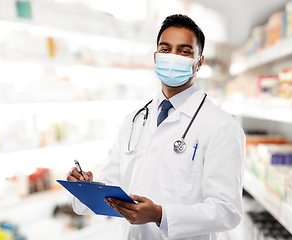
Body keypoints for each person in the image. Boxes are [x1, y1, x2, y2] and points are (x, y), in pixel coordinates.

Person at [67, 14, 245, 240]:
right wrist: (87, 187)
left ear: (199, 62)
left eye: (184, 51)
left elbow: (227, 211)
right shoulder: (134, 120)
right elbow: (113, 184)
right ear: (155, 56)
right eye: (165, 49)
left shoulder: (221, 126)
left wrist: (161, 215)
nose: (173, 57)